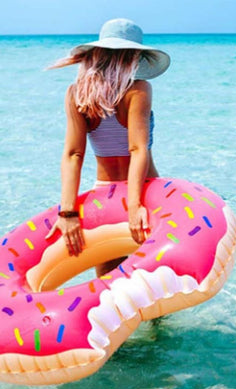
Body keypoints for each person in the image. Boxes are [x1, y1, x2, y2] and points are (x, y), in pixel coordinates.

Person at [45, 18, 170, 277]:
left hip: (104, 195)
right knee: (153, 279)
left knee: (107, 282)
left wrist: (67, 212)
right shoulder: (139, 90)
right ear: (134, 56)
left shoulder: (77, 93)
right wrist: (134, 205)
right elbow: (137, 149)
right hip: (145, 190)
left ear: (97, 53)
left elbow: (73, 154)